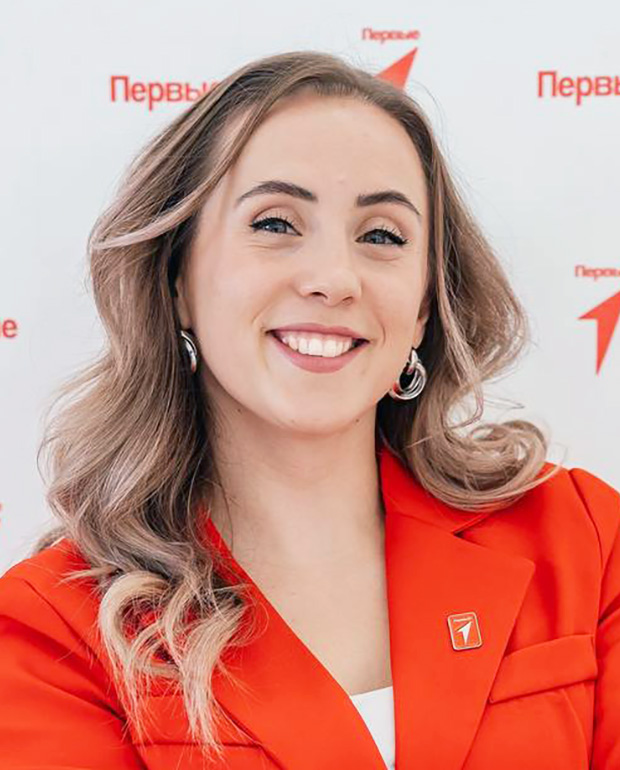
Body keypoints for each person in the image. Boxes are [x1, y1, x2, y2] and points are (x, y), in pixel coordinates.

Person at [0, 49, 618, 770]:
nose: (334, 278)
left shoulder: (582, 539)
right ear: (177, 279)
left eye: (382, 236)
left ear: (423, 306)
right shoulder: (54, 633)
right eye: (275, 224)